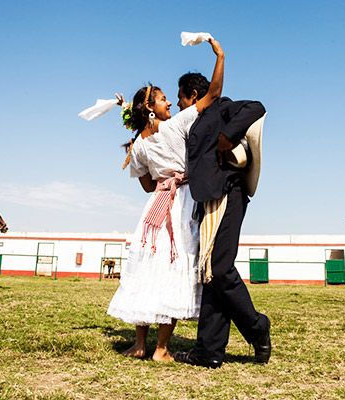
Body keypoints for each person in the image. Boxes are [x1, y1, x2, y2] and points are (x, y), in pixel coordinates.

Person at [107, 38, 225, 362]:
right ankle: (161, 349)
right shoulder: (176, 126)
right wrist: (220, 55)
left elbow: (146, 186)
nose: (170, 104)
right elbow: (213, 95)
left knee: (146, 267)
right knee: (175, 268)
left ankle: (139, 344)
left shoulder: (138, 148)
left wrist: (161, 177)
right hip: (181, 202)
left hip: (155, 206)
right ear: (150, 108)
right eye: (162, 100)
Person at [172, 72, 270, 368]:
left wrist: (227, 137)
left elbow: (256, 107)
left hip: (229, 193)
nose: (178, 104)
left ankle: (257, 327)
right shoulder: (191, 122)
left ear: (192, 94)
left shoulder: (221, 107)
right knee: (210, 274)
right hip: (207, 200)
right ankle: (209, 351)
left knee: (219, 268)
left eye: (180, 98)